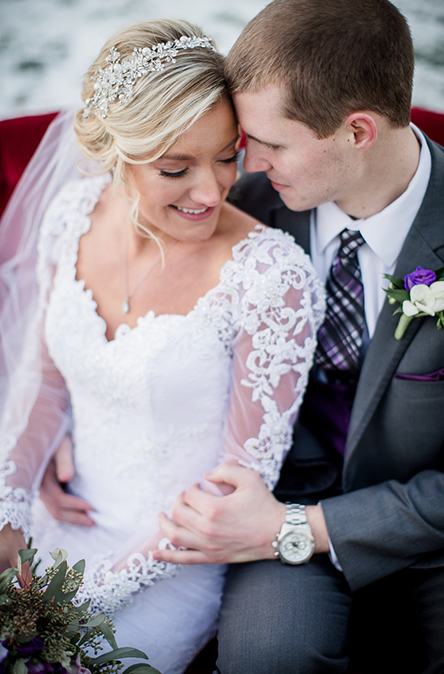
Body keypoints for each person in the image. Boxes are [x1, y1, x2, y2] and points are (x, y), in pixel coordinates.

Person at [131, 2, 444, 672]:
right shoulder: (239, 211)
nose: (245, 161)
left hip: (429, 540)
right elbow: (133, 315)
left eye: (270, 143)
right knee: (269, 656)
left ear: (357, 130)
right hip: (270, 512)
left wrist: (301, 529)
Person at [0, 19, 323, 674]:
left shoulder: (271, 276)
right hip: (58, 509)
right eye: (177, 168)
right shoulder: (71, 214)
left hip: (174, 559)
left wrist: (84, 596)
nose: (213, 190)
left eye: (227, 155)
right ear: (114, 155)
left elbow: (235, 488)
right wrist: (8, 515)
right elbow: (46, 383)